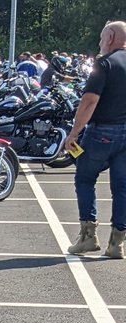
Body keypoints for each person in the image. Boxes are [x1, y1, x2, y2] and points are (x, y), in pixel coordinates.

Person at [66, 21, 126, 258]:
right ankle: (117, 243)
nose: (100, 42)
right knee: (122, 187)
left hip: (102, 132)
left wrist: (74, 133)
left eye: (102, 38)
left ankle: (88, 237)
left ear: (110, 37)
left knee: (84, 178)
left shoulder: (104, 64)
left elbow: (90, 100)